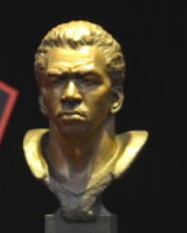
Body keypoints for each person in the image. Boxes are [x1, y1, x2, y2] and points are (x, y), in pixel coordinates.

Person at [23, 20, 146, 221]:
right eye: (56, 81)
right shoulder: (35, 158)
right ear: (43, 101)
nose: (70, 95)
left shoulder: (131, 154)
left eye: (88, 80)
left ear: (115, 99)